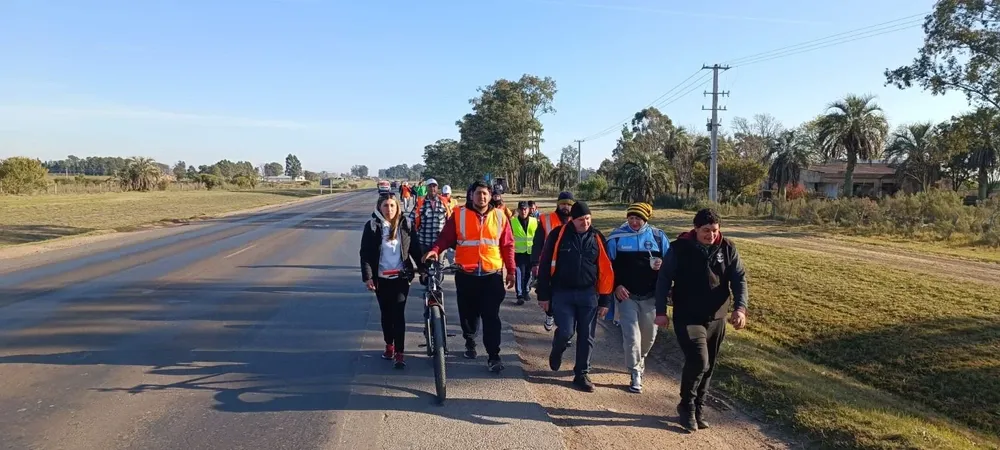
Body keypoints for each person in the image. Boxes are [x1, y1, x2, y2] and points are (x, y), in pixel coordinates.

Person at [654, 208, 748, 432]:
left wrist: (740, 308)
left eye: (715, 230)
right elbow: (663, 280)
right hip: (688, 316)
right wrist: (660, 311)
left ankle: (699, 408)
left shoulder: (727, 248)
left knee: (709, 367)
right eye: (706, 230)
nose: (711, 235)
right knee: (699, 360)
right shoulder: (679, 249)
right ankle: (685, 406)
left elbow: (739, 279)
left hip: (716, 317)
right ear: (695, 229)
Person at [424, 181, 517, 372]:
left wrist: (512, 271)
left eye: (484, 193)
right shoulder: (459, 215)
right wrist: (435, 250)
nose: (481, 197)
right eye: (477, 193)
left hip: (492, 276)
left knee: (491, 317)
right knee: (469, 316)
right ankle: (470, 340)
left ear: (490, 196)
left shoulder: (500, 216)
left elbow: (508, 246)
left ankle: (494, 356)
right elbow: (445, 238)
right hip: (467, 276)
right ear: (471, 195)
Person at [536, 201, 614, 392]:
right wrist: (543, 294)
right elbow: (545, 264)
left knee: (587, 335)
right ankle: (557, 348)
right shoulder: (558, 235)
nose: (585, 223)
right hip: (562, 292)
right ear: (572, 219)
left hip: (589, 294)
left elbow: (606, 270)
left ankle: (581, 374)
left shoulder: (597, 237)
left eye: (588, 219)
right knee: (566, 332)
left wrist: (605, 299)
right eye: (581, 220)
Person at [605, 202, 670, 394]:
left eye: (638, 218)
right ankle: (635, 373)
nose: (634, 221)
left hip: (651, 297)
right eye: (631, 217)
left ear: (646, 219)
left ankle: (640, 360)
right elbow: (608, 267)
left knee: (648, 337)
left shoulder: (658, 237)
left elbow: (672, 264)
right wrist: (616, 286)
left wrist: (662, 264)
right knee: (632, 337)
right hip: (627, 297)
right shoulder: (616, 238)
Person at [359, 193, 422, 369]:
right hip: (382, 279)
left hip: (401, 278)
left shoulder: (406, 225)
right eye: (386, 206)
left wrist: (424, 268)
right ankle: (389, 345)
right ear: (379, 207)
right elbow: (365, 254)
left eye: (392, 206)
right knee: (386, 315)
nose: (389, 209)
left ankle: (400, 353)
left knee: (399, 314)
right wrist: (368, 277)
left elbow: (415, 249)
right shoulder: (372, 227)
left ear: (398, 207)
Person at [532, 191, 575, 332]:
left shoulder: (577, 220)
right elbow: (537, 242)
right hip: (548, 265)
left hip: (569, 266)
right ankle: (549, 314)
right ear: (558, 204)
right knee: (548, 294)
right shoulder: (546, 219)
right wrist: (535, 263)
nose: (565, 207)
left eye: (568, 204)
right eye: (562, 204)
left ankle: (566, 330)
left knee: (567, 298)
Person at [408, 178, 449, 257]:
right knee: (424, 267)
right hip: (424, 242)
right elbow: (411, 219)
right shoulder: (420, 203)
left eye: (434, 186)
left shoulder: (444, 202)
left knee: (440, 267)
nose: (432, 188)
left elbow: (449, 220)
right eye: (430, 186)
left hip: (439, 243)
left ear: (437, 188)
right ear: (426, 188)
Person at [510, 201, 538, 306]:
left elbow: (538, 238)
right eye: (521, 209)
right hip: (518, 253)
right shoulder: (513, 222)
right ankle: (520, 295)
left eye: (525, 209)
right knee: (519, 274)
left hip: (531, 252)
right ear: (518, 210)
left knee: (528, 273)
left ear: (529, 209)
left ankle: (526, 291)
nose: (523, 211)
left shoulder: (535, 221)